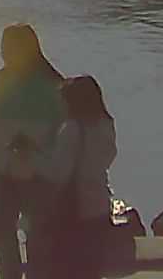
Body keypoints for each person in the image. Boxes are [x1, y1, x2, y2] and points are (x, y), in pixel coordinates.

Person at [0, 23, 68, 279]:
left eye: (10, 48)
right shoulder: (0, 79)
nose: (4, 53)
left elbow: (64, 130)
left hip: (37, 169)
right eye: (3, 47)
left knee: (36, 229)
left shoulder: (53, 83)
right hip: (0, 165)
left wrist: (36, 147)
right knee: (1, 227)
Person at [42, 75, 118, 279]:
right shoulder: (106, 124)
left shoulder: (72, 129)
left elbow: (59, 172)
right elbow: (108, 158)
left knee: (67, 267)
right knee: (93, 268)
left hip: (74, 209)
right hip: (99, 204)